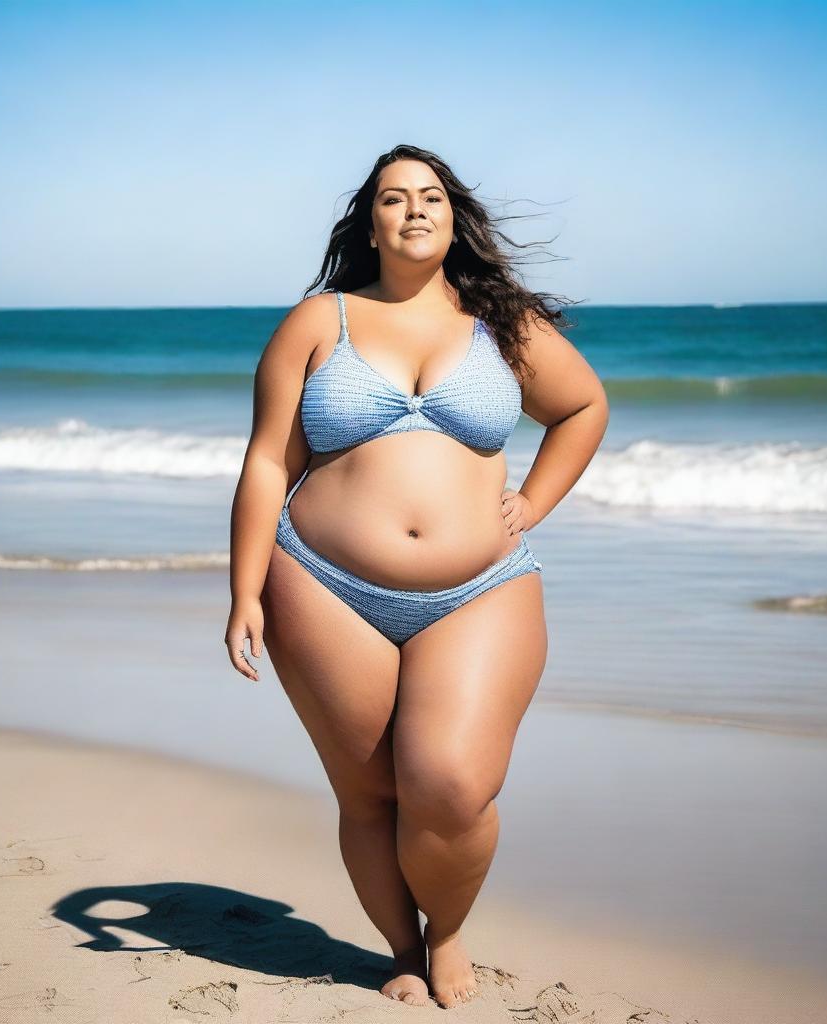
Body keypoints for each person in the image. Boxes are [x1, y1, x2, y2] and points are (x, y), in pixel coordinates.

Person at [224, 144, 608, 1009]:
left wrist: (533, 503)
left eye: (430, 195)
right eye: (394, 198)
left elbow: (584, 408)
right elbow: (263, 463)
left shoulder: (500, 326)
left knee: (451, 783)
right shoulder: (319, 322)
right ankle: (403, 946)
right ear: (372, 221)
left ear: (452, 214)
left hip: (481, 588)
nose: (414, 210)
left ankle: (452, 928)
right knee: (370, 790)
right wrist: (245, 589)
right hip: (321, 582)